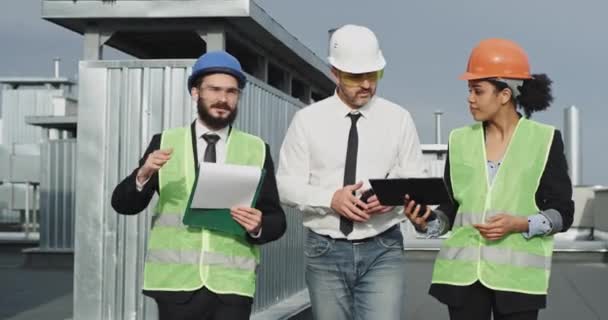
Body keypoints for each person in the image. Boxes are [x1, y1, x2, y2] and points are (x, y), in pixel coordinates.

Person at [405, 38, 574, 320]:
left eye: (478, 90)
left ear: (504, 95)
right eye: (469, 90)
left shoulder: (544, 140)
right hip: (462, 278)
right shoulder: (459, 140)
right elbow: (452, 207)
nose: (470, 98)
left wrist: (520, 223)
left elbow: (563, 212)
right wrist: (428, 222)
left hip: (517, 282)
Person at [111, 51, 286, 320]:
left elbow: (277, 220)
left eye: (231, 92)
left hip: (231, 287)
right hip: (175, 285)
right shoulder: (166, 142)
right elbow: (123, 204)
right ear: (195, 93)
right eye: (214, 89)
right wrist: (143, 174)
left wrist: (259, 225)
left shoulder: (257, 149)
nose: (223, 99)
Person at [276, 24, 427, 320]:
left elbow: (415, 179)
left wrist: (392, 197)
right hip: (325, 250)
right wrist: (330, 198)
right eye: (356, 77)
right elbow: (284, 184)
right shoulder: (307, 120)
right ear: (335, 72)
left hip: (383, 246)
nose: (367, 84)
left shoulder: (399, 120)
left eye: (374, 75)